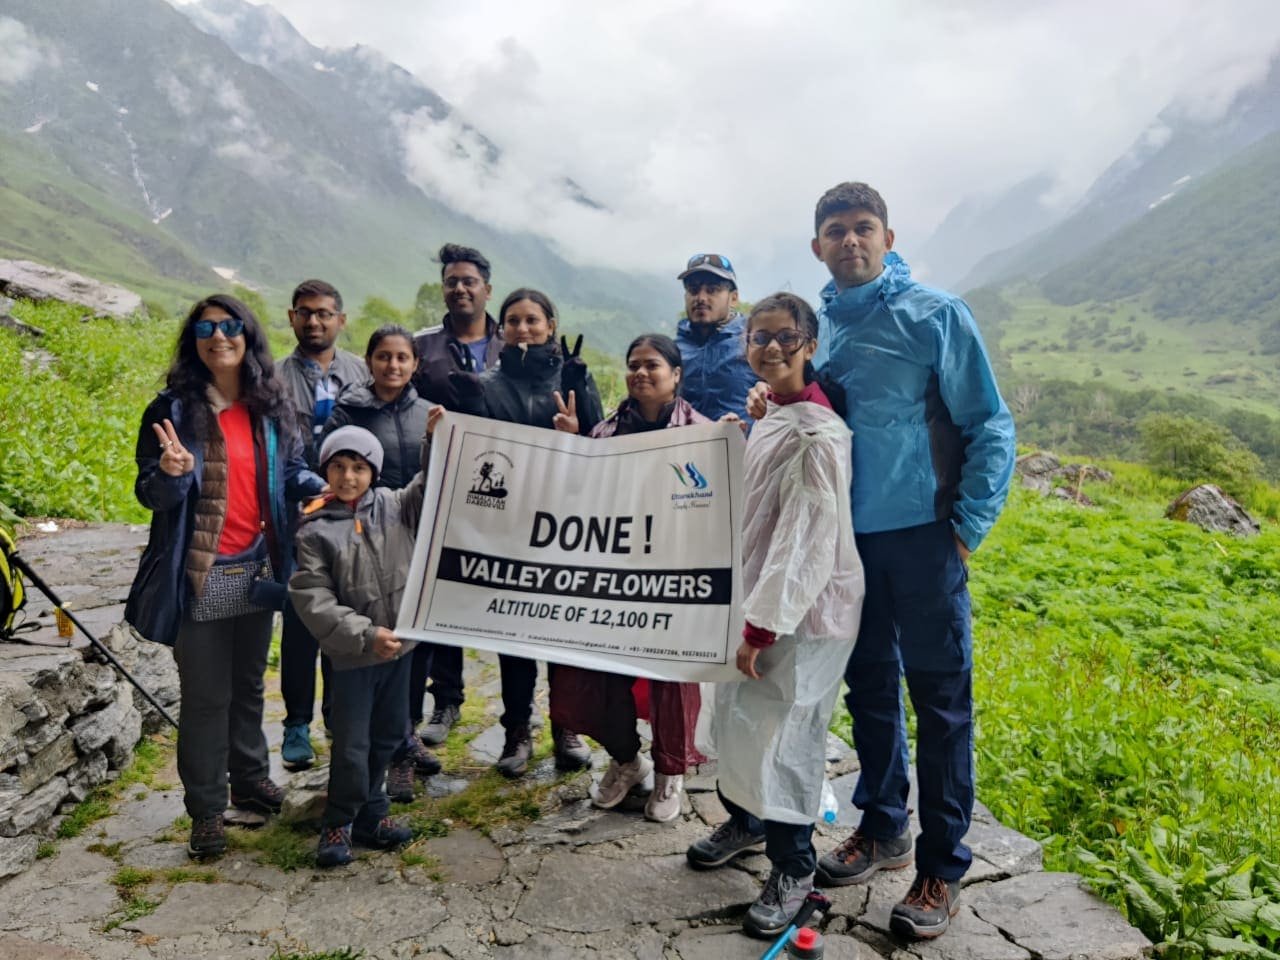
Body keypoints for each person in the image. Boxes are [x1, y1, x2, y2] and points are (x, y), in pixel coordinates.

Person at [758, 182, 1016, 940]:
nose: (850, 242)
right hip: (845, 542)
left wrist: (964, 527)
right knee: (868, 688)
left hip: (926, 538)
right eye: (835, 231)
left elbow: (989, 424)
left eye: (863, 229)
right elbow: (812, 404)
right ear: (817, 247)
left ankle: (941, 866)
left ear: (889, 237)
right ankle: (883, 826)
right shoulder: (821, 328)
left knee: (938, 702)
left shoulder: (936, 315)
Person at [685, 293, 864, 938]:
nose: (768, 347)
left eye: (784, 337)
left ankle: (794, 867)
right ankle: (748, 820)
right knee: (738, 720)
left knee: (785, 735)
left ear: (809, 345)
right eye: (758, 337)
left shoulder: (818, 435)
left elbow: (805, 543)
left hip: (800, 614)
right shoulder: (778, 413)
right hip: (760, 600)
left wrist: (763, 625)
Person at [124, 294, 326, 860]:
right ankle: (208, 810)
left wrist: (320, 487)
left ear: (248, 335)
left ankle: (251, 778)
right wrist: (169, 474)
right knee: (207, 697)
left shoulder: (268, 402)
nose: (220, 337)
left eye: (231, 326)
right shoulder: (173, 410)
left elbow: (289, 471)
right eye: (207, 328)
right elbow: (149, 492)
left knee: (247, 687)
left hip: (259, 567)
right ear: (194, 340)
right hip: (199, 572)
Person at [549, 334, 707, 823]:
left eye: (652, 365)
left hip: (676, 580)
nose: (640, 373)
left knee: (672, 678)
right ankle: (626, 759)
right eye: (632, 364)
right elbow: (581, 499)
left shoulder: (704, 434)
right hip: (615, 580)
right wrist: (575, 445)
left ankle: (669, 773)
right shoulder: (604, 435)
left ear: (676, 374)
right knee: (588, 676)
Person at [452, 287, 604, 777]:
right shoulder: (485, 384)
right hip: (510, 524)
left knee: (561, 631)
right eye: (513, 321)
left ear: (551, 325)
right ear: (501, 329)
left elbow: (604, 448)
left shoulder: (576, 375)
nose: (523, 328)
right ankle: (517, 730)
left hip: (565, 525)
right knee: (513, 630)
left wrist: (575, 432)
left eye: (532, 320)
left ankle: (567, 726)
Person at [289, 425, 435, 868]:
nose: (348, 476)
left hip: (401, 651)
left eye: (358, 467)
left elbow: (433, 482)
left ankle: (374, 813)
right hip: (354, 657)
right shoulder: (314, 529)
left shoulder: (396, 505)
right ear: (325, 471)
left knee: (390, 735)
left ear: (373, 471)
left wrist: (433, 438)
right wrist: (366, 634)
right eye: (338, 466)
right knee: (351, 744)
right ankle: (339, 821)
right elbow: (313, 597)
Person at [322, 325, 442, 801]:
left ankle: (402, 744)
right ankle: (356, 745)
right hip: (355, 545)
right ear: (368, 360)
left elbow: (435, 475)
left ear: (415, 364)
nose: (393, 366)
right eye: (384, 357)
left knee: (411, 651)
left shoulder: (426, 414)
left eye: (402, 358)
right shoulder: (348, 412)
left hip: (412, 544)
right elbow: (327, 470)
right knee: (360, 647)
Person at [411, 244, 504, 749]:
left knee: (515, 593)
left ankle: (520, 714)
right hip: (444, 489)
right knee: (441, 591)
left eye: (469, 280)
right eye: (452, 281)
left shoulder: (516, 342)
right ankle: (445, 701)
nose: (460, 288)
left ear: (487, 288)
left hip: (508, 488)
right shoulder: (421, 348)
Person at [277, 279, 368, 770]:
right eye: (306, 313)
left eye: (325, 314)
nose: (315, 322)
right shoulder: (271, 379)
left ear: (341, 320)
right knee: (300, 622)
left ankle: (338, 716)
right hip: (297, 519)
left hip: (351, 520)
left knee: (345, 617)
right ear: (292, 318)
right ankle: (295, 722)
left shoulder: (361, 373)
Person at [674, 253, 758, 423]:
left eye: (712, 289)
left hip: (745, 446)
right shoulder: (673, 351)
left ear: (733, 298)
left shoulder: (754, 341)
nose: (701, 298)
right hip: (690, 447)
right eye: (693, 289)